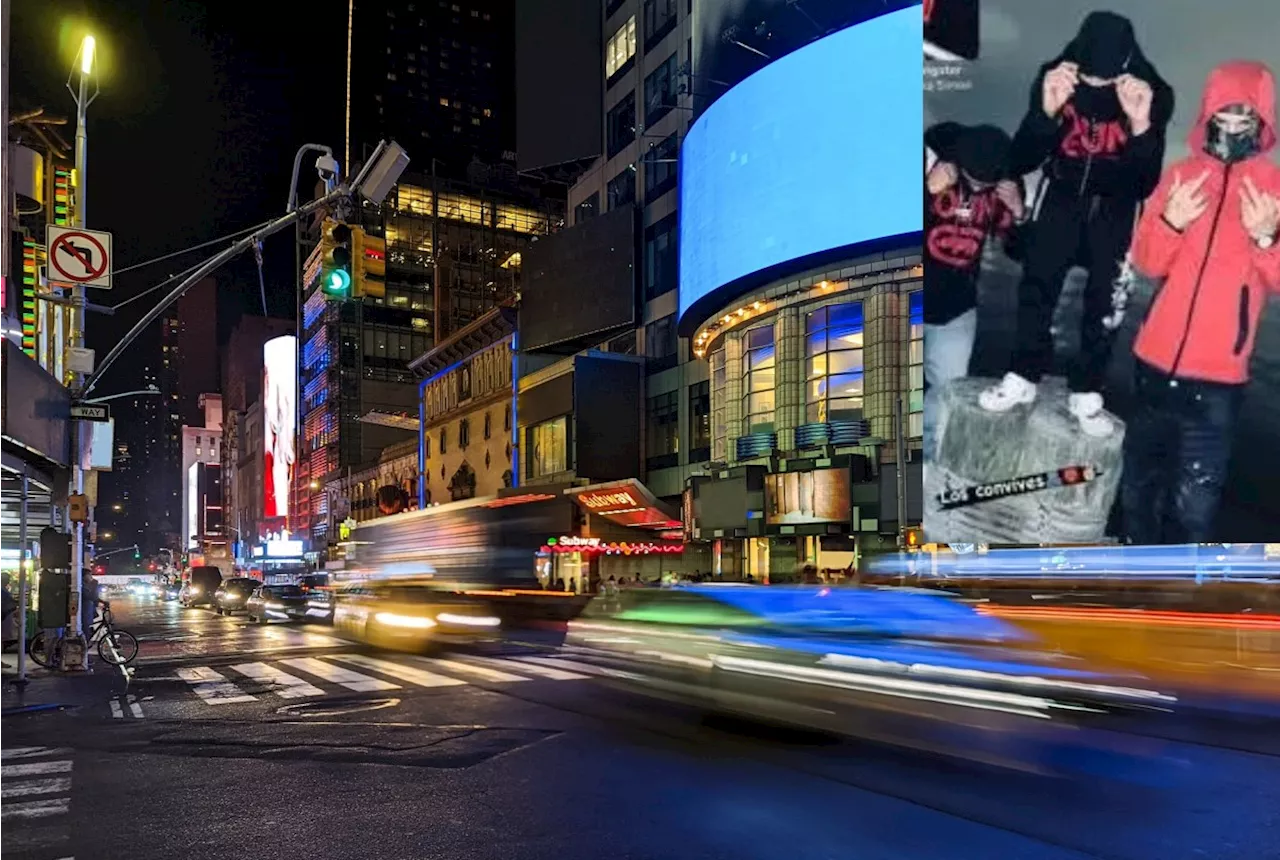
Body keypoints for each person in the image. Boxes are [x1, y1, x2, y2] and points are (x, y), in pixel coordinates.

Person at [979, 11, 1174, 436]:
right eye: (1091, 78)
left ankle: (1087, 389)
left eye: (1106, 80)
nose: (1097, 87)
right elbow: (1023, 157)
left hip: (1117, 208)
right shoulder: (1056, 77)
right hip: (1061, 198)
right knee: (1036, 285)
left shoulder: (1155, 93)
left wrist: (1141, 126)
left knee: (1107, 302)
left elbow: (1145, 183)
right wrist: (1045, 112)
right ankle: (1023, 376)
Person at [1121, 60, 1280, 544]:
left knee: (1196, 507)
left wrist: (1266, 238)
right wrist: (1170, 221)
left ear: (1262, 123)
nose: (1232, 131)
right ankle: (1132, 579)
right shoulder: (1181, 175)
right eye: (1223, 120)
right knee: (1137, 490)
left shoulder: (1274, 189)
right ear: (1207, 119)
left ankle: (1185, 594)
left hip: (1217, 384)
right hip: (1152, 364)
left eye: (1244, 120)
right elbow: (1147, 261)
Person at [923, 121, 1027, 456]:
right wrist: (924, 191)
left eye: (988, 182)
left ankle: (925, 460)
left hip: (958, 307)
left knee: (948, 392)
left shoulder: (1006, 182)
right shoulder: (924, 161)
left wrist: (1019, 213)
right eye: (975, 180)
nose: (981, 187)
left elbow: (1019, 252)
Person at [81, 567, 100, 643]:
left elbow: (94, 598)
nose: (91, 577)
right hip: (84, 614)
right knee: (85, 634)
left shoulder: (86, 585)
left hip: (87, 613)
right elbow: (91, 597)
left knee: (88, 631)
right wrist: (95, 585)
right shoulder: (82, 586)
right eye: (89, 575)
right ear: (84, 576)